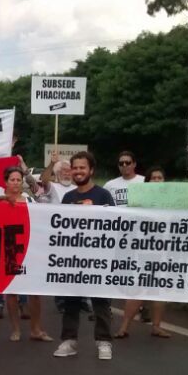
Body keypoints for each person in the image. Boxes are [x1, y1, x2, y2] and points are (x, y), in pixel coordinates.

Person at [53, 150, 117, 361]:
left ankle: (104, 342)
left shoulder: (103, 195)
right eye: (75, 168)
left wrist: (95, 210)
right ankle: (69, 340)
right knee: (71, 301)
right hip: (73, 258)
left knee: (100, 302)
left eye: (82, 168)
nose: (78, 172)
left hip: (98, 257)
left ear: (91, 170)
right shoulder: (68, 197)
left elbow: (113, 224)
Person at [0, 165, 52, 342]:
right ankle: (16, 329)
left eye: (18, 180)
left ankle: (36, 329)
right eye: (12, 179)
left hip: (29, 249)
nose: (15, 183)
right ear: (6, 182)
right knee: (11, 291)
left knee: (35, 292)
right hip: (8, 250)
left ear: (22, 183)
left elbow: (41, 220)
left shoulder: (29, 200)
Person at [116, 166, 172, 339]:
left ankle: (156, 326)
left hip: (163, 252)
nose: (156, 181)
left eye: (159, 178)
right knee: (137, 291)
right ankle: (124, 328)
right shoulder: (138, 201)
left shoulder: (173, 201)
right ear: (147, 182)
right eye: (153, 178)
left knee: (159, 292)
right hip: (143, 252)